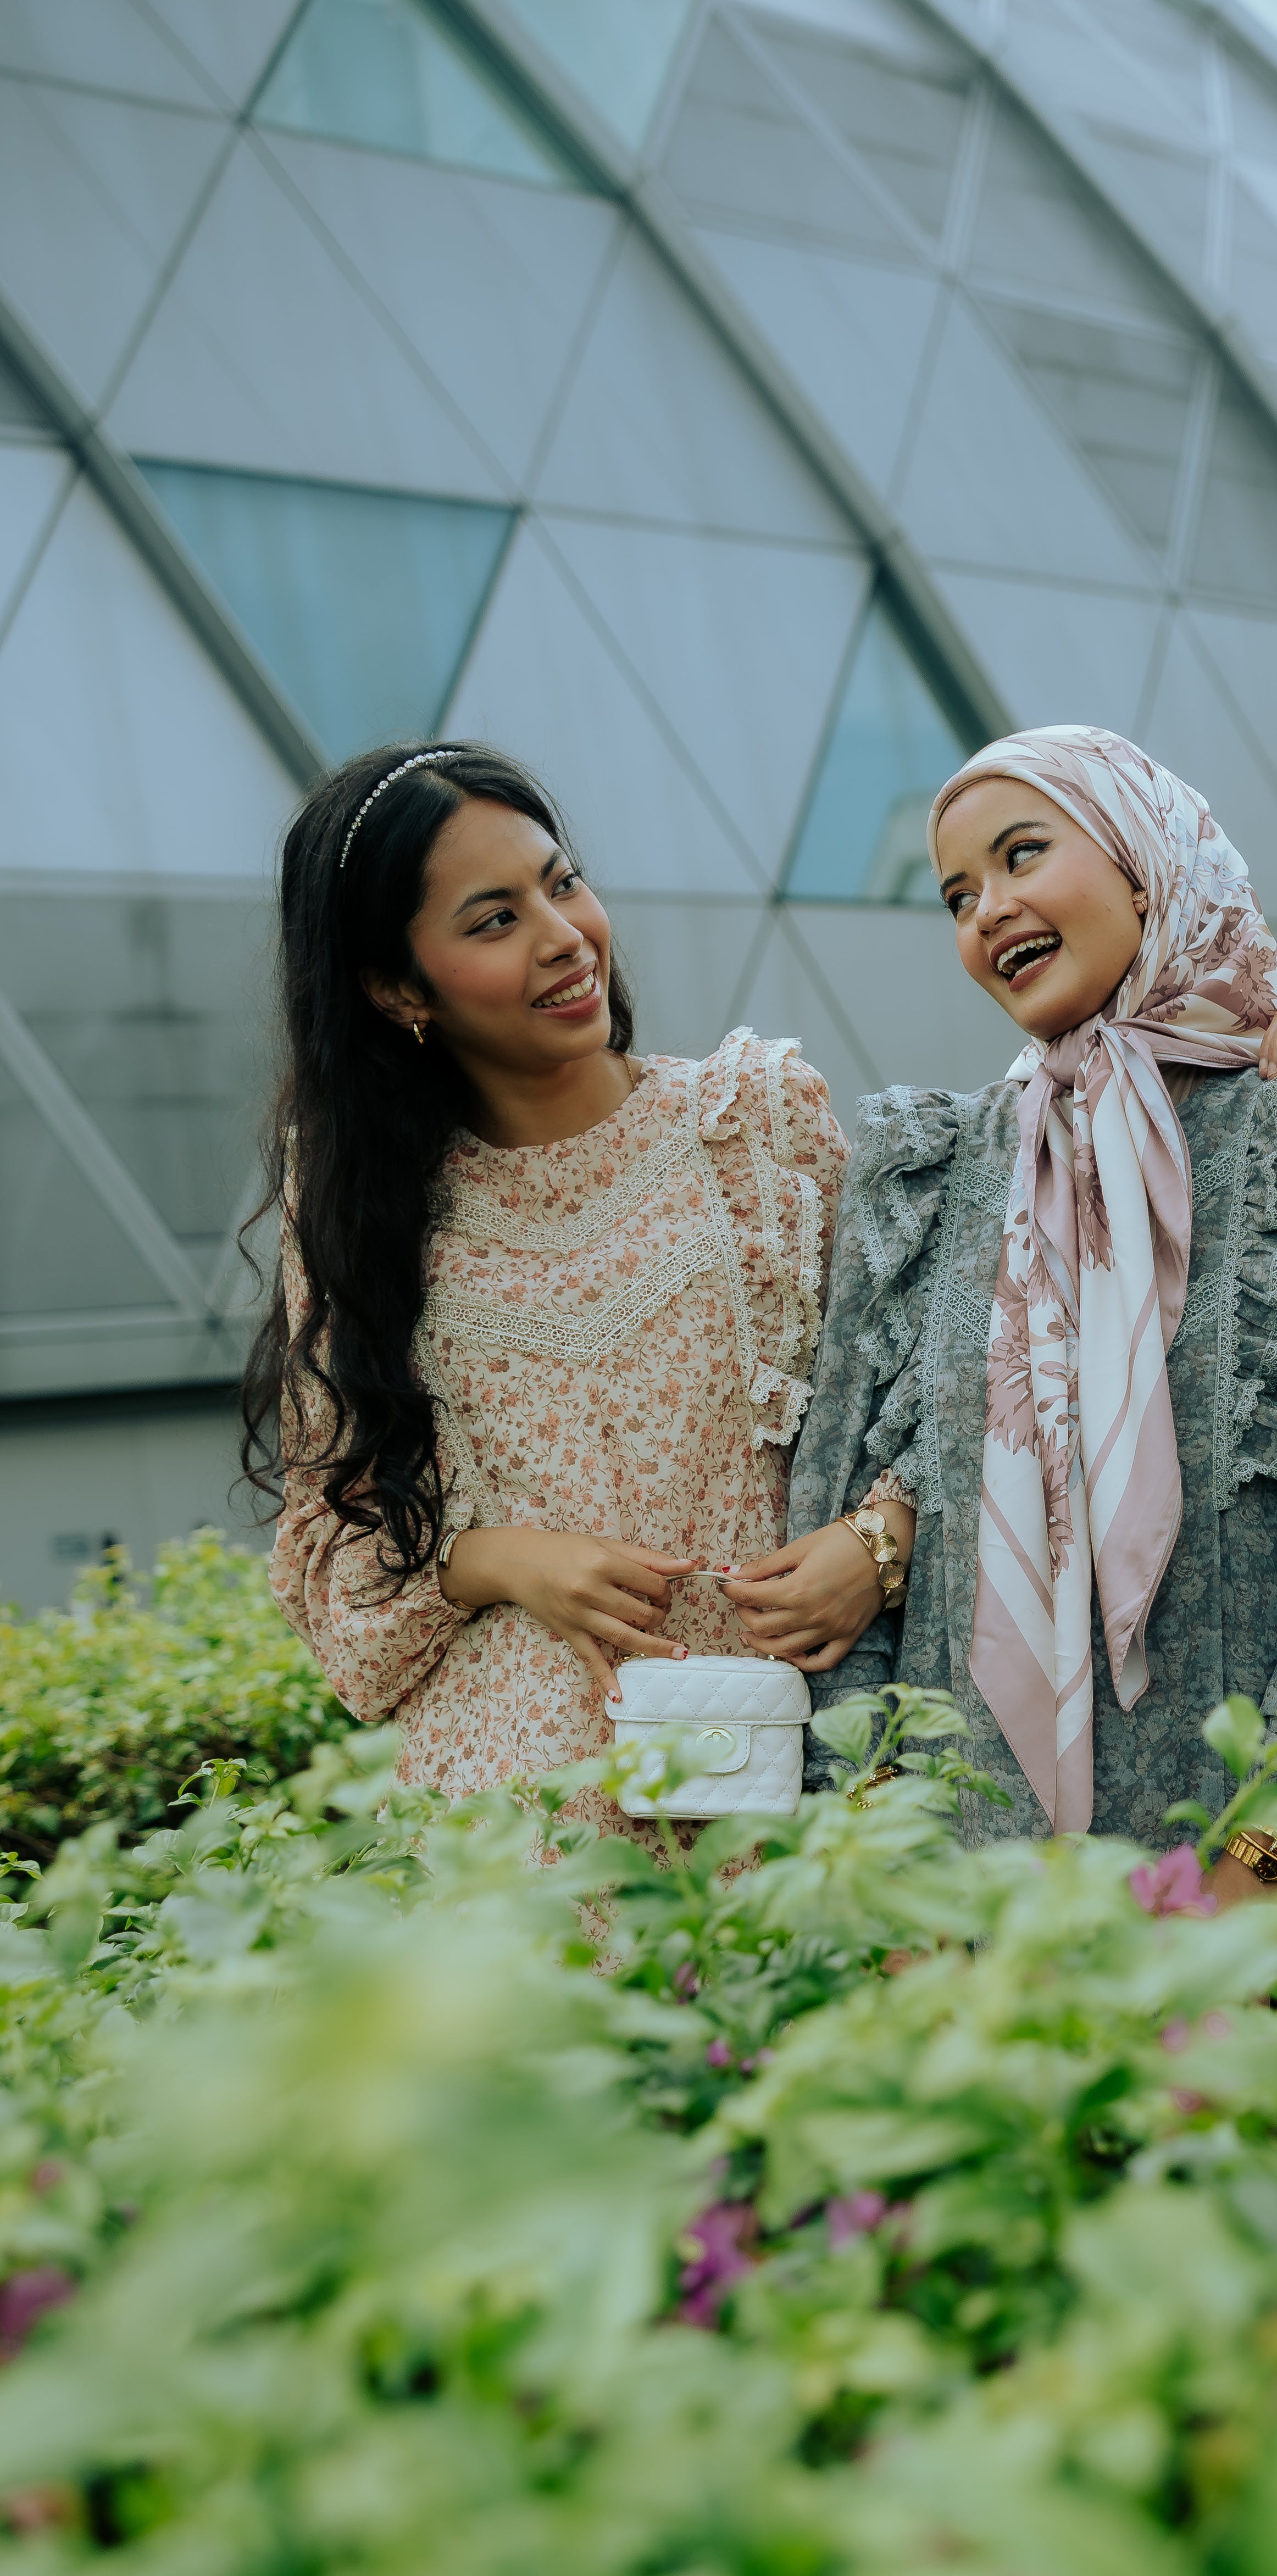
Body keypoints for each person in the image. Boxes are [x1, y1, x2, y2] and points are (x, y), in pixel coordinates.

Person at [760, 726, 1277, 1896]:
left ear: (1144, 865)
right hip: (957, 1904)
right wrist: (880, 1877)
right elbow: (833, 1552)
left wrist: (1268, 1860)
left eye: (1022, 854)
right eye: (957, 895)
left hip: (1236, 1887)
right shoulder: (931, 1174)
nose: (988, 910)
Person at [243, 738, 878, 1841]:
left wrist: (877, 1545)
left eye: (562, 883)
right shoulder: (362, 1219)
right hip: (516, 1836)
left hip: (790, 1788)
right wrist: (498, 1561)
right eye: (494, 920)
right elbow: (331, 1564)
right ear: (397, 989)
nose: (563, 937)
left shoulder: (755, 1127)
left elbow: (943, 1402)